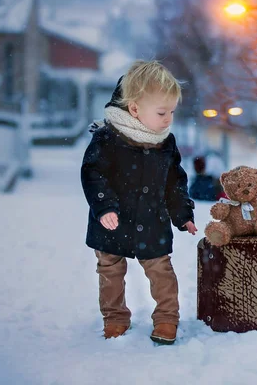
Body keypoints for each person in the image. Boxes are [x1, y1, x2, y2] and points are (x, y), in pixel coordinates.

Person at [81, 60, 197, 345]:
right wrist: (104, 206)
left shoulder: (165, 142)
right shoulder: (107, 137)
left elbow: (174, 182)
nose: (168, 118)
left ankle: (167, 318)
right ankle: (115, 318)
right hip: (112, 220)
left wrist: (182, 214)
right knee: (110, 269)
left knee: (161, 270)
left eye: (171, 111)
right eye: (161, 112)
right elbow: (93, 173)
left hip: (151, 220)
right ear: (134, 108)